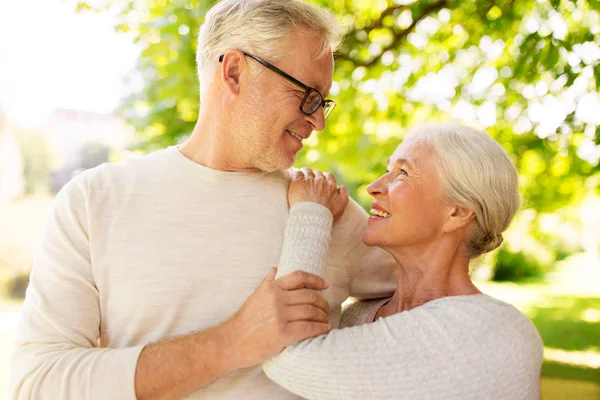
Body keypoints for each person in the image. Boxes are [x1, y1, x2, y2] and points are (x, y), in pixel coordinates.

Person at [8, 1, 398, 399]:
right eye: (307, 95)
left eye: (323, 101)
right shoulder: (95, 201)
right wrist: (231, 343)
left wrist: (350, 327)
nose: (319, 121)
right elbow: (37, 382)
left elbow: (433, 294)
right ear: (233, 71)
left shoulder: (321, 209)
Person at [262, 123, 544, 400]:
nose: (374, 187)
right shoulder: (358, 315)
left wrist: (311, 213)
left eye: (403, 173)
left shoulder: (496, 332)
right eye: (387, 170)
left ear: (457, 212)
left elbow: (283, 347)